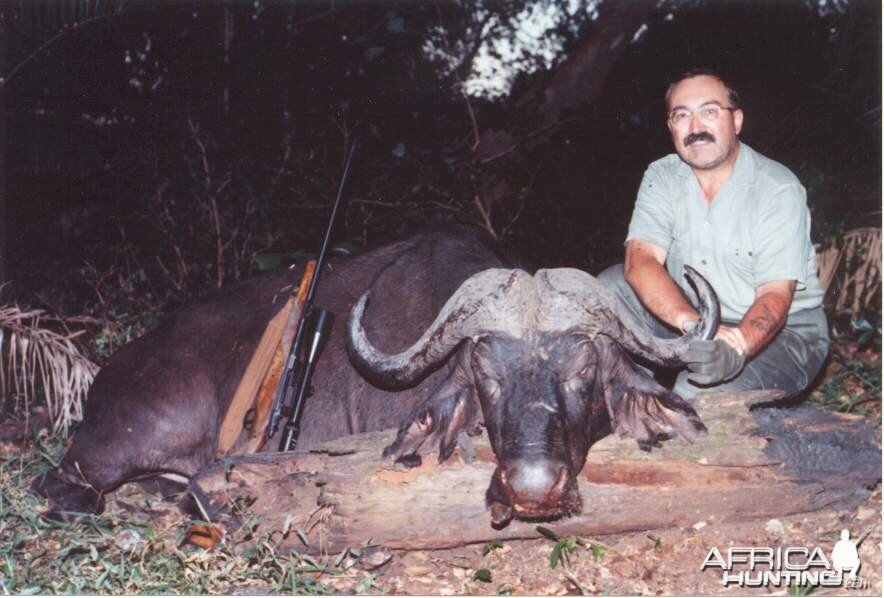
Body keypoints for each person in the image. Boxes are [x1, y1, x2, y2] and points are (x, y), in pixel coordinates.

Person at [598, 68, 829, 400]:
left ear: (736, 121)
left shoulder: (778, 188)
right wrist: (694, 325)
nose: (696, 128)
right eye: (682, 115)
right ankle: (633, 393)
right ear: (670, 127)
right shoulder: (662, 175)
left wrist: (737, 349)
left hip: (783, 332)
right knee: (610, 288)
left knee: (694, 396)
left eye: (709, 112)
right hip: (696, 315)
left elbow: (775, 296)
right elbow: (641, 260)